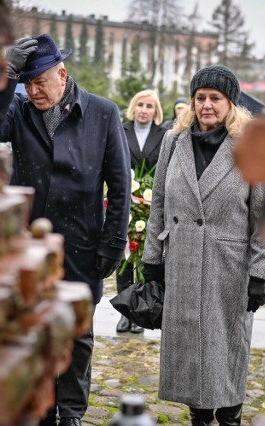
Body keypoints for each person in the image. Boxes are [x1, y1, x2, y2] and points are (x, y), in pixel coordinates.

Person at [0, 34, 131, 426]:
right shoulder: (18, 108)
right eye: (26, 83)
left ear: (62, 75)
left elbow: (119, 185)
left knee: (78, 333)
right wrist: (5, 77)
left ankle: (73, 412)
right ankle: (42, 406)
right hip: (30, 242)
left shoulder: (102, 112)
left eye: (39, 82)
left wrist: (114, 243)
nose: (33, 91)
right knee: (32, 327)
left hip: (82, 241)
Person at [141, 65, 265, 426]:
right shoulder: (174, 141)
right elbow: (158, 202)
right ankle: (199, 417)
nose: (206, 105)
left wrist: (260, 272)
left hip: (228, 267)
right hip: (182, 259)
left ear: (231, 104)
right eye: (200, 97)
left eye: (215, 98)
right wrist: (152, 258)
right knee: (188, 350)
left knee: (226, 348)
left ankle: (230, 416)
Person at [115, 89, 167, 334]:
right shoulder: (120, 130)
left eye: (149, 106)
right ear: (133, 108)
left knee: (146, 257)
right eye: (140, 105)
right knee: (125, 258)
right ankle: (125, 312)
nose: (144, 110)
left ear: (156, 111)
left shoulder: (164, 135)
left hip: (152, 205)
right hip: (125, 203)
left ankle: (141, 311)